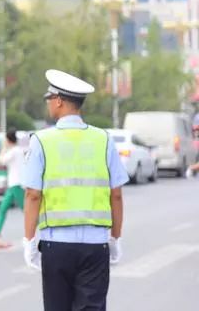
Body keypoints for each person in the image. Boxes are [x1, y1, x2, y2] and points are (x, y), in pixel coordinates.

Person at [22, 69, 129, 311]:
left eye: (49, 98)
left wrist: (29, 240)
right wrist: (115, 237)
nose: (48, 104)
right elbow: (117, 194)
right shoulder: (104, 139)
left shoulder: (41, 140)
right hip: (96, 246)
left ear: (59, 100)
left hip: (55, 246)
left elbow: (32, 194)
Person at [0, 129, 26, 238]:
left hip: (16, 184)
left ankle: (41, 228)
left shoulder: (14, 151)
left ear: (8, 140)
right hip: (14, 184)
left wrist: (3, 148)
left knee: (26, 211)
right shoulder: (19, 150)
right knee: (3, 208)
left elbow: (1, 161)